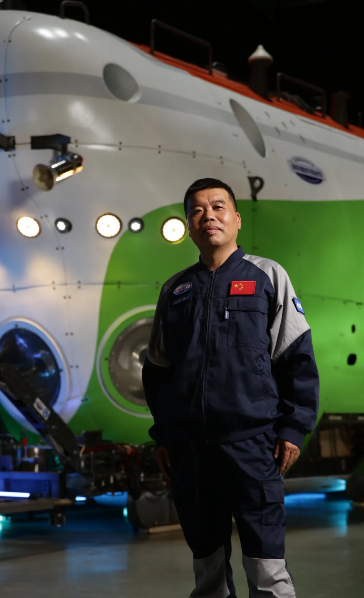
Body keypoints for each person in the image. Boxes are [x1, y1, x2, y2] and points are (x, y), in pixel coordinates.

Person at [142, 178, 319, 598]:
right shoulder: (175, 290)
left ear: (237, 219)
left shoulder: (268, 276)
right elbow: (158, 372)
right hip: (190, 451)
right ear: (189, 227)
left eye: (218, 207)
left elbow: (297, 358)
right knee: (208, 571)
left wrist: (292, 429)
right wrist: (164, 436)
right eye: (197, 210)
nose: (208, 216)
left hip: (253, 445)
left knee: (267, 567)